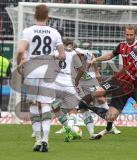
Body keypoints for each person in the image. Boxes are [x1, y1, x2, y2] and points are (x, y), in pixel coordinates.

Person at [89, 25, 137, 139]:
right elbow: (110, 55)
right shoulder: (122, 46)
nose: (128, 37)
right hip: (121, 81)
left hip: (135, 85)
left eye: (131, 35)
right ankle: (107, 126)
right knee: (101, 99)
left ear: (135, 34)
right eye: (127, 34)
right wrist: (96, 59)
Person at [16, 4, 65, 152]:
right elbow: (62, 55)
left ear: (34, 16)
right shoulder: (55, 32)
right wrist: (55, 56)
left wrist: (19, 63)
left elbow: (20, 50)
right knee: (45, 105)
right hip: (47, 71)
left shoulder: (28, 31)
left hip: (32, 70)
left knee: (33, 104)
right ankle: (45, 139)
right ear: (48, 17)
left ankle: (37, 140)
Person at [79, 53, 137, 140]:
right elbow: (111, 55)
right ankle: (83, 103)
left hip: (132, 89)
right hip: (116, 81)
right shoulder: (132, 56)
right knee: (98, 93)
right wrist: (97, 59)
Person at [50, 39, 85, 142]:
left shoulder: (56, 53)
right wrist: (77, 81)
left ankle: (66, 127)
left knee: (55, 107)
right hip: (69, 85)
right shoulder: (74, 53)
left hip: (56, 85)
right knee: (73, 109)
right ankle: (70, 126)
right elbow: (82, 69)